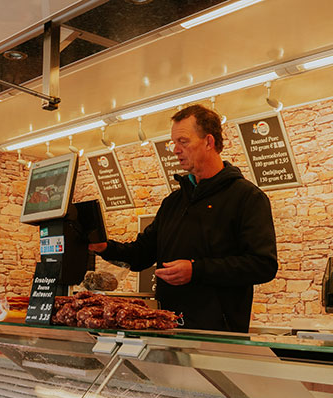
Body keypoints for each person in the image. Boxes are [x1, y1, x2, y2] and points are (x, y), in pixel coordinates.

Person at [89, 104, 278, 332]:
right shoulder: (173, 202)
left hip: (219, 335)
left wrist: (196, 270)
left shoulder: (247, 197)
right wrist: (105, 247)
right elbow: (142, 254)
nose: (175, 150)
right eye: (173, 143)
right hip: (168, 327)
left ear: (209, 142)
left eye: (183, 142)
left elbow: (263, 265)